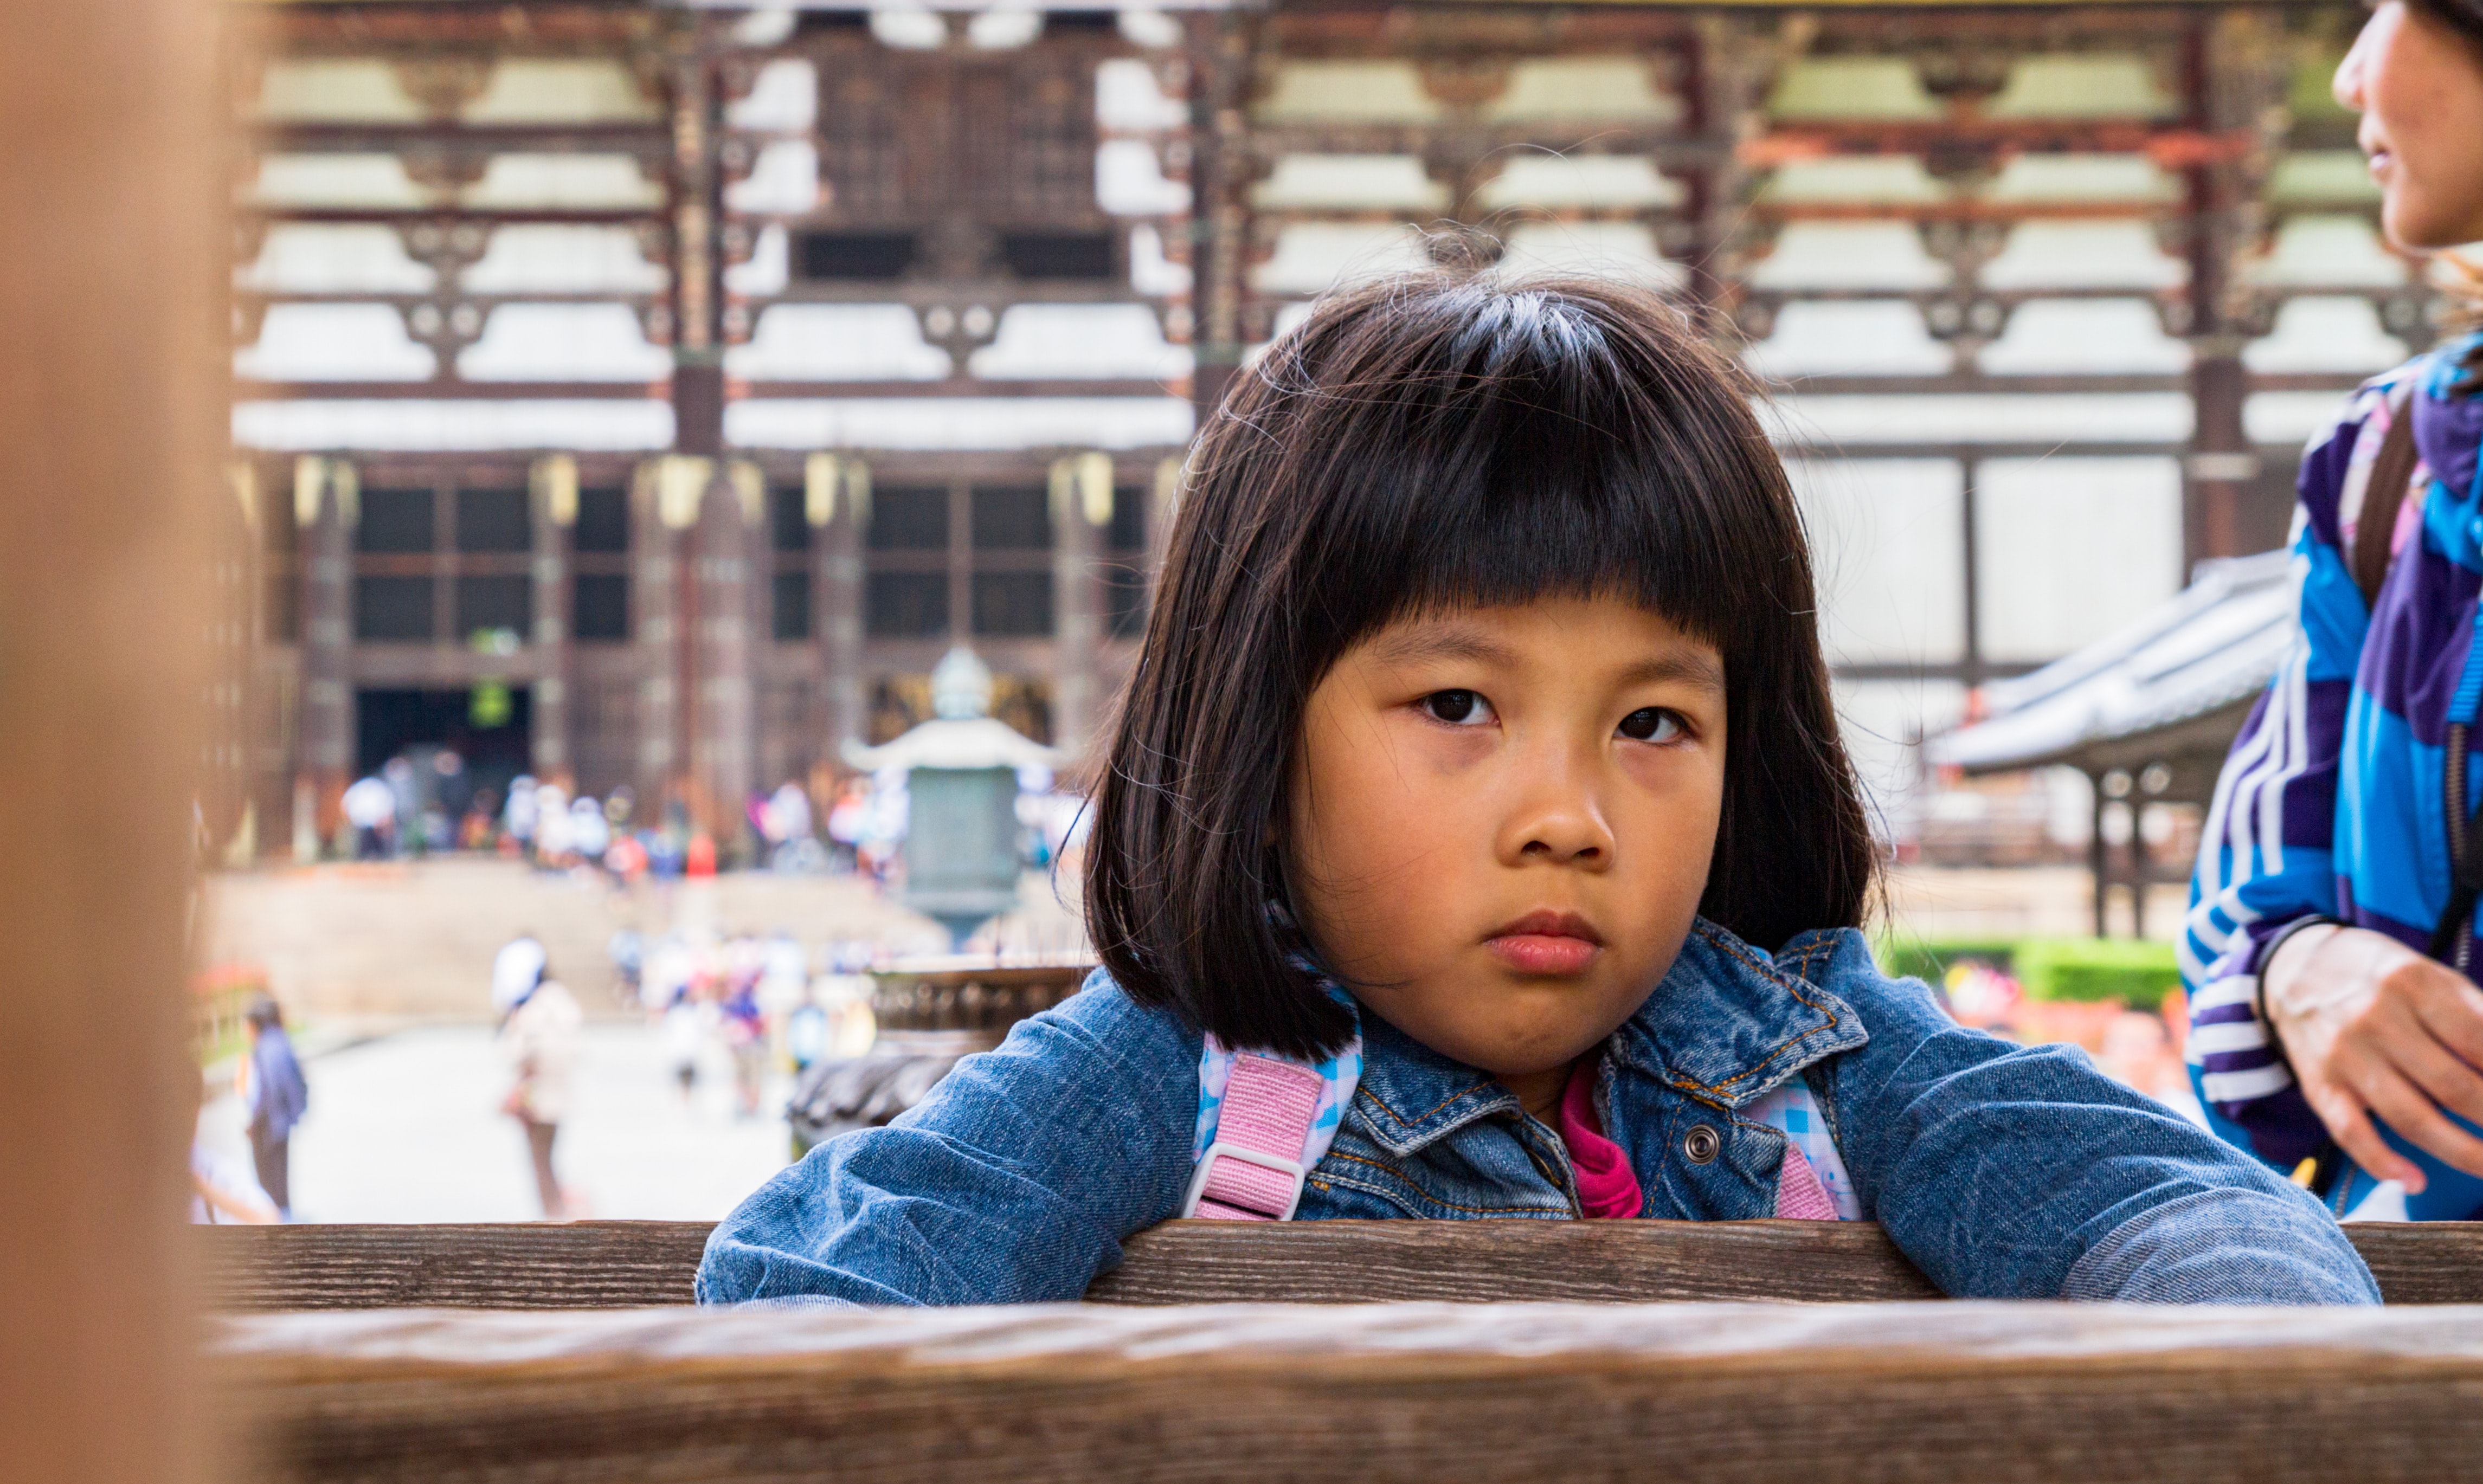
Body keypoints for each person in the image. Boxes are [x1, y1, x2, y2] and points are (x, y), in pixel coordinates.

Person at [697, 273, 2375, 1308]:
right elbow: (819, 1283)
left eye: (1650, 723)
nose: (1564, 813)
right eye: (1454, 703)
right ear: (1257, 726)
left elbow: (2172, 1209)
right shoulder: (1167, 1077)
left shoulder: (1819, 1068)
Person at [2179, 0, 2483, 1220]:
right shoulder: (2384, 464)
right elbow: (2250, 893)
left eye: (2393, 8)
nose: (2352, 75)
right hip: (2415, 1329)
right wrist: (2299, 968)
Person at [497, 955, 583, 1220]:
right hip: (560, 1096)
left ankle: (552, 1215)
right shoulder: (567, 1007)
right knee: (551, 1159)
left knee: (540, 1163)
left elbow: (518, 1052)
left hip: (537, 1097)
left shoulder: (533, 1011)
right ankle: (557, 1212)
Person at [235, 996, 306, 1220]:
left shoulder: (266, 1048)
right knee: (280, 1181)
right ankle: (283, 1220)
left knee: (269, 1184)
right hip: (280, 1124)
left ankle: (276, 1227)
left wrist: (255, 1124)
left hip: (268, 1126)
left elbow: (268, 1093)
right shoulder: (279, 1042)